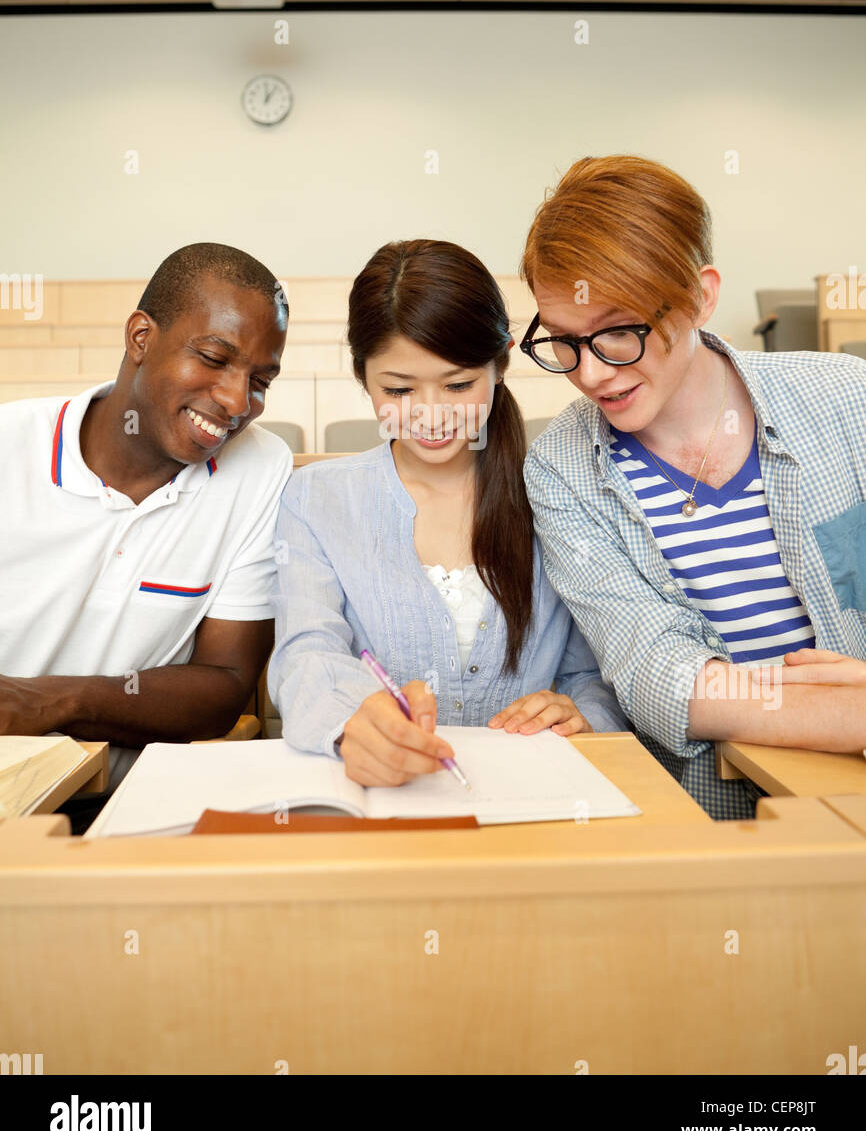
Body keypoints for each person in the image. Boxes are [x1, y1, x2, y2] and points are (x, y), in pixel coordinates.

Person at [519, 154, 866, 819]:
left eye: (618, 333)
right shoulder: (562, 467)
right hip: (710, 820)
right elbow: (658, 675)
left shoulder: (845, 401)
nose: (590, 374)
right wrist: (852, 712)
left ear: (702, 296)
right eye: (564, 341)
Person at [268, 239, 628, 787]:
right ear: (363, 377)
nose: (431, 415)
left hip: (534, 799)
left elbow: (591, 671)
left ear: (501, 363)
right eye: (399, 389)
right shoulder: (316, 500)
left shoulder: (557, 493)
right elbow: (308, 652)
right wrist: (351, 725)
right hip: (380, 799)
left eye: (458, 385)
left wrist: (584, 712)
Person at [0, 242, 292, 810]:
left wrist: (53, 702)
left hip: (127, 802)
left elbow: (224, 685)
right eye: (213, 358)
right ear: (140, 338)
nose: (237, 401)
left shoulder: (259, 468)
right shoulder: (8, 446)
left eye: (261, 379)